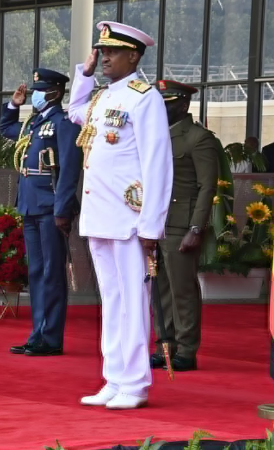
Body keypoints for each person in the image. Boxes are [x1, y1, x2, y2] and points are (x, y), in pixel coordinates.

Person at [68, 22, 173, 410]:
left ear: (134, 56)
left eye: (112, 52)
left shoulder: (144, 98)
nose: (105, 57)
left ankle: (135, 383)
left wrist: (151, 223)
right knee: (112, 301)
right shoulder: (101, 97)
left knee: (132, 300)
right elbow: (74, 112)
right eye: (101, 51)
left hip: (130, 219)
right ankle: (114, 377)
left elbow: (158, 163)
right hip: (100, 214)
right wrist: (85, 72)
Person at [0, 68, 81, 356]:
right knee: (35, 271)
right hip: (30, 205)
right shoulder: (34, 124)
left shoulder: (64, 124)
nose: (35, 94)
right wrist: (14, 105)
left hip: (50, 207)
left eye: (40, 90)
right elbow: (5, 129)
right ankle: (37, 334)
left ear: (55, 93)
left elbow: (70, 170)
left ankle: (50, 337)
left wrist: (63, 209)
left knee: (51, 273)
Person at [151, 80, 218, 372]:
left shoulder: (197, 138)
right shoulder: (154, 135)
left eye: (166, 105)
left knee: (182, 289)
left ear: (183, 105)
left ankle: (186, 350)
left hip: (181, 224)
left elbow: (207, 187)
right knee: (160, 288)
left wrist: (196, 228)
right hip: (156, 221)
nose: (161, 111)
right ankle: (165, 344)